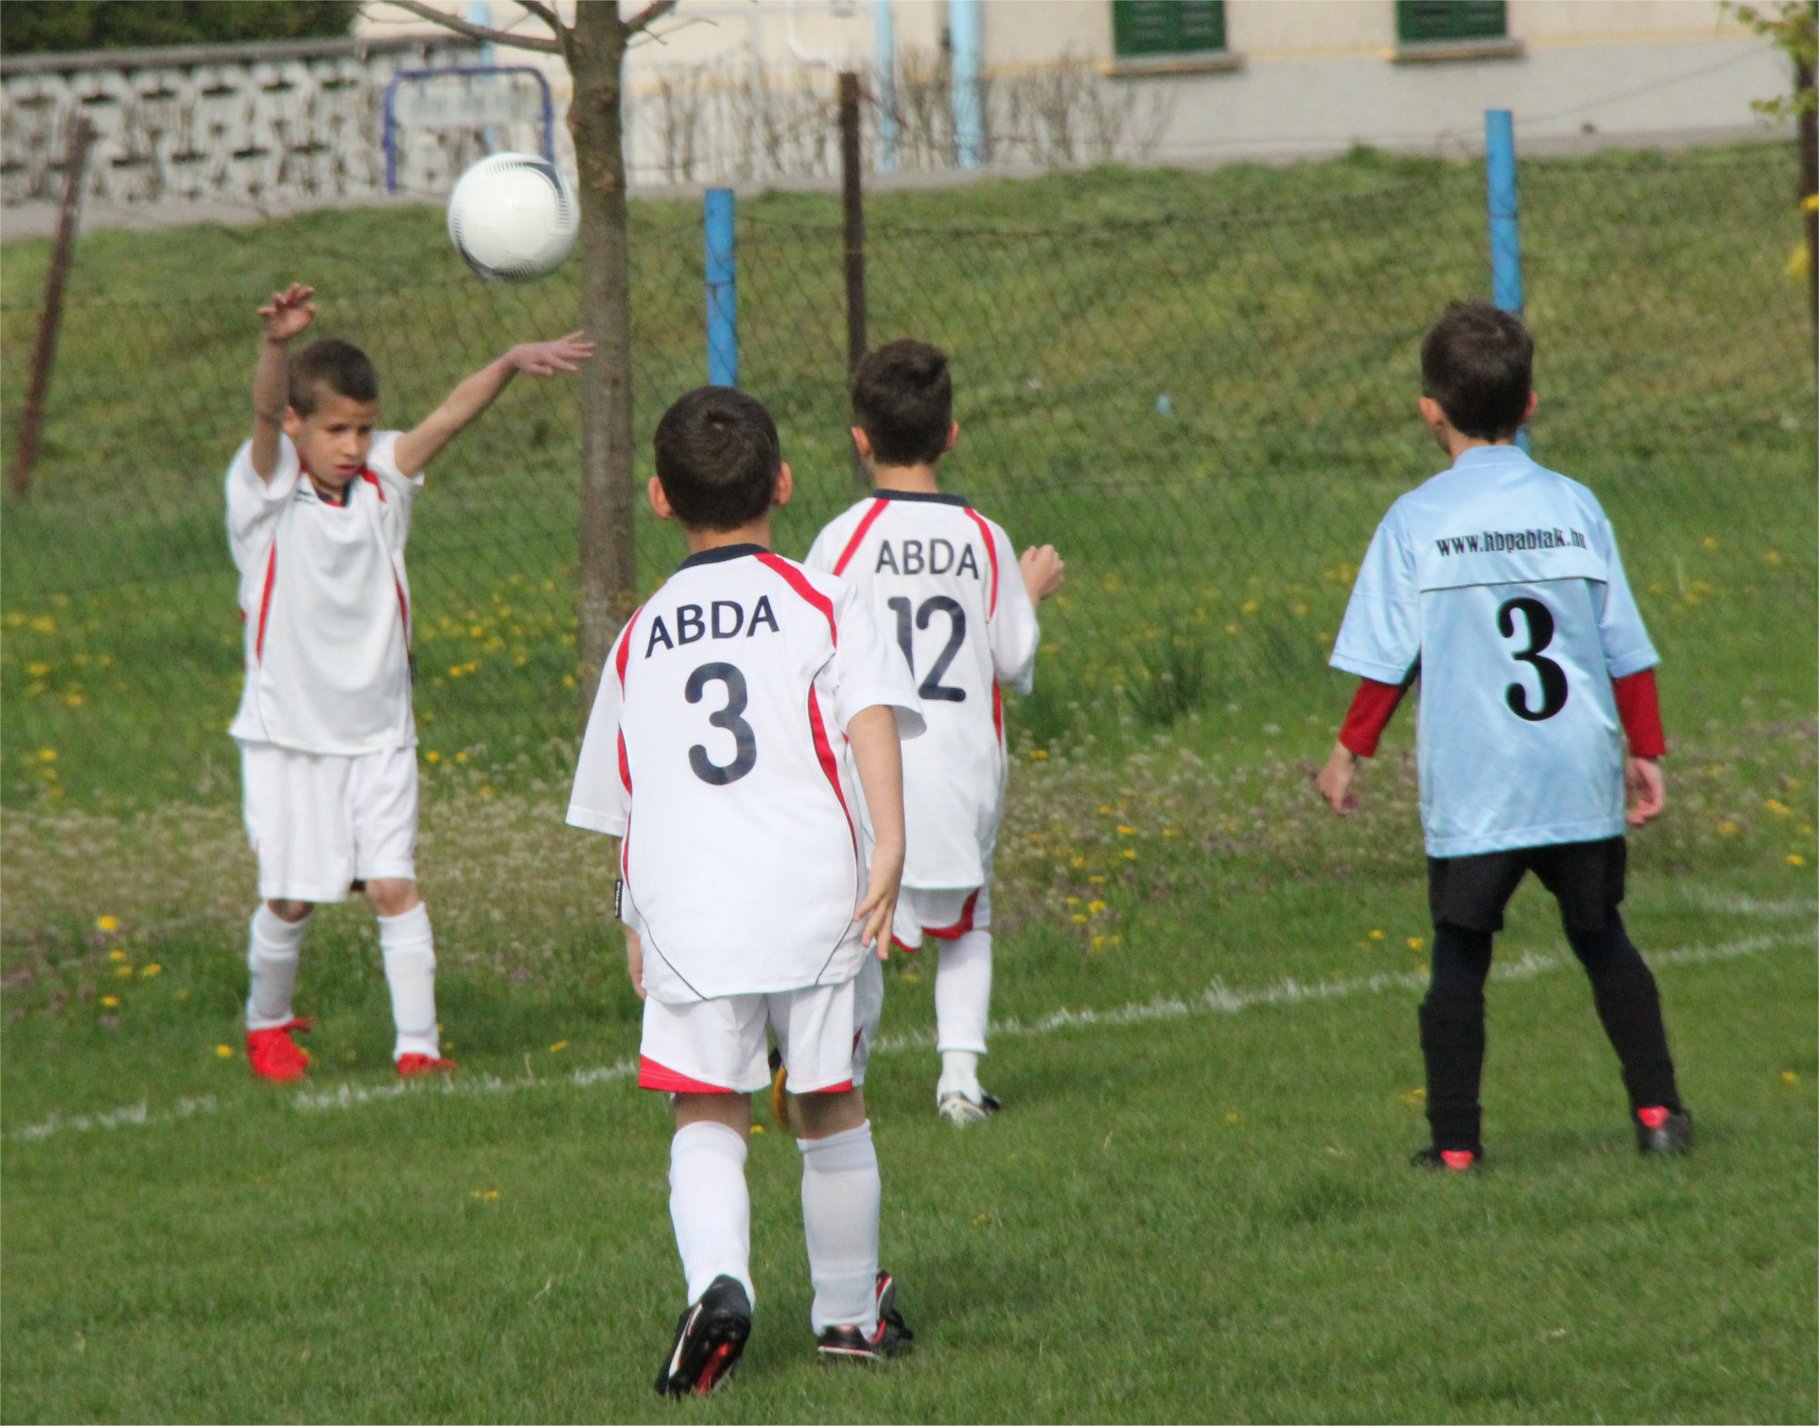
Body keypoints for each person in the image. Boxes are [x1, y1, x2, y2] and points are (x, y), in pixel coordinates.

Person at [566, 386, 925, 1395]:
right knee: (827, 1101)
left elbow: (629, 790)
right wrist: (892, 843)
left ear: (658, 498)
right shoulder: (822, 598)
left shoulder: (638, 636)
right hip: (816, 893)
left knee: (705, 1107)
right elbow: (866, 716)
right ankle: (848, 1316)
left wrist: (632, 917)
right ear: (784, 483)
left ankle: (718, 1284)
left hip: (690, 907)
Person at [1315, 300, 1690, 1170]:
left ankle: (1455, 1147)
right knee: (1602, 940)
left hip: (1479, 784)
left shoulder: (1415, 520)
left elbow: (1388, 659)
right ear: (1529, 405)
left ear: (1428, 411)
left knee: (1458, 955)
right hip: (1574, 772)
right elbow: (1623, 648)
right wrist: (1644, 750)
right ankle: (1658, 1115)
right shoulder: (1574, 506)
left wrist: (1347, 752)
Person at [228, 282, 593, 1082]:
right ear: (296, 425)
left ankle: (418, 1050)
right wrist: (275, 347)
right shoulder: (265, 490)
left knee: (394, 886)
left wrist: (508, 361)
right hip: (289, 738)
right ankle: (267, 1025)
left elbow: (449, 418)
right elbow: (260, 415)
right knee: (292, 897)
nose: (353, 445)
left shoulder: (382, 481)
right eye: (335, 429)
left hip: (382, 734)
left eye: (363, 428)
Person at [804, 339, 1064, 1126]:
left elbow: (813, 657)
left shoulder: (841, 538)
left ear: (860, 441)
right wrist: (1027, 592)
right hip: (959, 767)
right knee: (966, 923)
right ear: (950, 435)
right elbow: (1011, 659)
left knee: (860, 922)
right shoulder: (984, 539)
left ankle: (834, 1073)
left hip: (869, 767)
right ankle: (958, 1082)